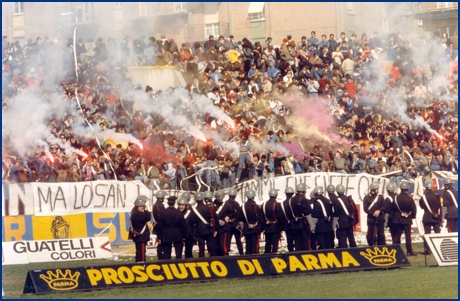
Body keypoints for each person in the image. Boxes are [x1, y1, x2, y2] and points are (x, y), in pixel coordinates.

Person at [391, 181, 417, 256]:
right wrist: (413, 216)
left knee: (397, 235)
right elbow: (414, 209)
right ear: (407, 189)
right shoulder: (410, 199)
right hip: (407, 219)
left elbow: (392, 208)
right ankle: (409, 251)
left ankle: (394, 250)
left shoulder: (396, 198)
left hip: (398, 219)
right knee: (408, 236)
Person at [190, 191, 217, 257]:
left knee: (201, 249)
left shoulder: (194, 210)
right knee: (210, 248)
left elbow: (192, 221)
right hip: (209, 230)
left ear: (196, 200)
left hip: (200, 231)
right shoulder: (208, 207)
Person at [217, 188, 244, 255]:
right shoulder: (236, 204)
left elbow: (220, 214)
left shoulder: (226, 203)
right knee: (238, 241)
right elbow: (239, 214)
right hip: (234, 224)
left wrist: (227, 216)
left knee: (227, 241)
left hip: (229, 225)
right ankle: (241, 253)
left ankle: (226, 253)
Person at [238, 189, 264, 255]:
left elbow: (240, 218)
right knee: (255, 246)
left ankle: (248, 258)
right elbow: (260, 218)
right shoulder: (256, 206)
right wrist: (261, 228)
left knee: (248, 245)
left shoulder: (243, 206)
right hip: (255, 228)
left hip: (246, 228)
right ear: (253, 196)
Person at [288, 183, 312, 251]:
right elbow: (307, 212)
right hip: (303, 223)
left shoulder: (291, 200)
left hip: (294, 223)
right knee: (305, 240)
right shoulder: (304, 199)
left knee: (297, 241)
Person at [420, 182, 441, 255]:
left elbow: (422, 206)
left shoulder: (423, 197)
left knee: (427, 233)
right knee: (437, 233)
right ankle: (439, 248)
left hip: (427, 217)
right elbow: (439, 206)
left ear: (426, 188)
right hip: (435, 217)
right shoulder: (437, 196)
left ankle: (427, 249)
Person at [363, 181, 386, 246]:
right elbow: (365, 208)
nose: (378, 190)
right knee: (371, 235)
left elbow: (384, 206)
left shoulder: (380, 197)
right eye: (377, 188)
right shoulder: (366, 198)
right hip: (371, 219)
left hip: (380, 219)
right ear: (374, 189)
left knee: (381, 235)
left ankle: (381, 247)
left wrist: (379, 211)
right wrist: (372, 213)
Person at [130, 195, 152, 263]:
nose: (143, 207)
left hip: (138, 236)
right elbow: (147, 218)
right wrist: (147, 211)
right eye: (142, 206)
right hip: (141, 236)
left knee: (139, 251)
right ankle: (142, 263)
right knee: (141, 252)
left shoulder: (134, 212)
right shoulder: (137, 214)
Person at [262, 189, 284, 253]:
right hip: (275, 227)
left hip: (267, 227)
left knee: (268, 243)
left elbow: (262, 216)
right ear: (276, 195)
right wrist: (281, 227)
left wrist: (263, 226)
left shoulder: (264, 204)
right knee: (275, 244)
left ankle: (266, 256)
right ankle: (274, 256)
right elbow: (280, 217)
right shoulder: (277, 204)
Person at [280, 187, 295, 252]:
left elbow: (281, 216)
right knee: (297, 239)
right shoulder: (294, 202)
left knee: (289, 240)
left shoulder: (282, 203)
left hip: (287, 224)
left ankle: (290, 252)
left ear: (286, 194)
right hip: (295, 223)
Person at [152, 190, 166, 260]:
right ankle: (161, 257)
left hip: (158, 226)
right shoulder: (160, 205)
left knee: (159, 242)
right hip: (161, 226)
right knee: (161, 242)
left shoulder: (156, 204)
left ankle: (160, 256)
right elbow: (162, 216)